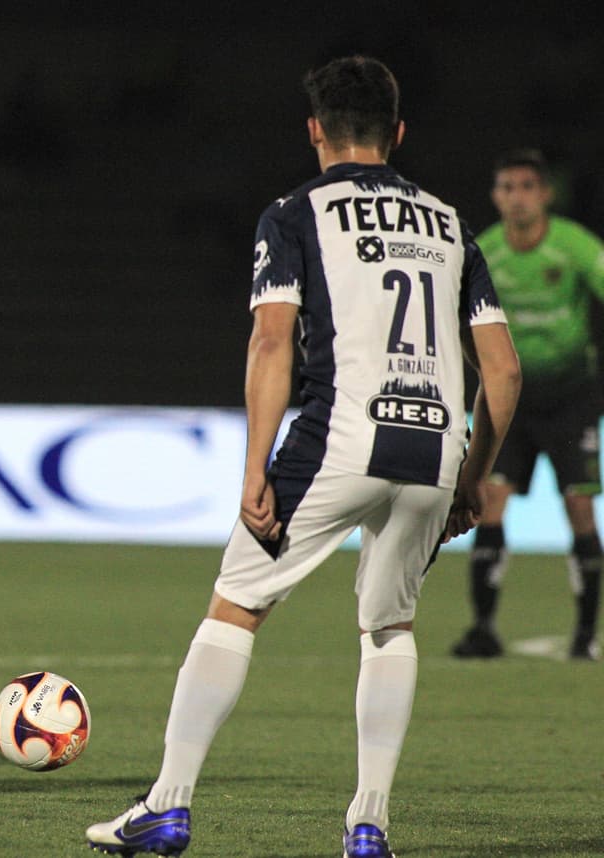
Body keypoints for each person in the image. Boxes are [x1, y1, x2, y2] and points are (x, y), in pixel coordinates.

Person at [84, 56, 521, 857]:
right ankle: (368, 824)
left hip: (338, 438)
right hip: (433, 444)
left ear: (315, 130)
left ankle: (168, 805)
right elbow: (503, 371)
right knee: (390, 624)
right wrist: (473, 474)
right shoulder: (453, 224)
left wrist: (256, 464)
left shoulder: (294, 215)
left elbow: (271, 339)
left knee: (237, 605)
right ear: (397, 133)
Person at [451, 149, 604, 661]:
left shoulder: (574, 246)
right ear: (495, 196)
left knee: (579, 506)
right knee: (487, 502)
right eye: (507, 187)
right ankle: (483, 629)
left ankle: (585, 636)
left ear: (545, 194)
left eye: (526, 187)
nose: (516, 198)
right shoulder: (485, 252)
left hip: (570, 398)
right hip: (509, 399)